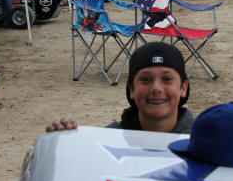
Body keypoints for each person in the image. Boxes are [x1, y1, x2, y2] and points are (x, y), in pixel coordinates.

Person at [46, 42, 195, 133]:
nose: (156, 88)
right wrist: (62, 143)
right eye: (145, 79)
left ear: (183, 87)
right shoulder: (108, 139)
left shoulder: (204, 141)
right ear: (131, 89)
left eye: (167, 79)